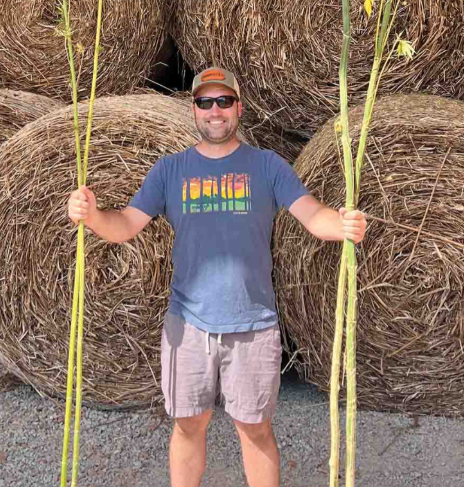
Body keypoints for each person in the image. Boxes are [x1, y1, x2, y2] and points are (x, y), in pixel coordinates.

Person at [67, 67, 367, 487]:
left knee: (255, 430)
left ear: (238, 108)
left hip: (254, 325)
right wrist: (92, 215)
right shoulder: (170, 171)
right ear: (193, 109)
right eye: (205, 102)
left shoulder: (266, 166)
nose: (214, 111)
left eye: (223, 101)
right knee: (189, 425)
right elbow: (125, 226)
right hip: (187, 326)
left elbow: (314, 216)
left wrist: (343, 224)